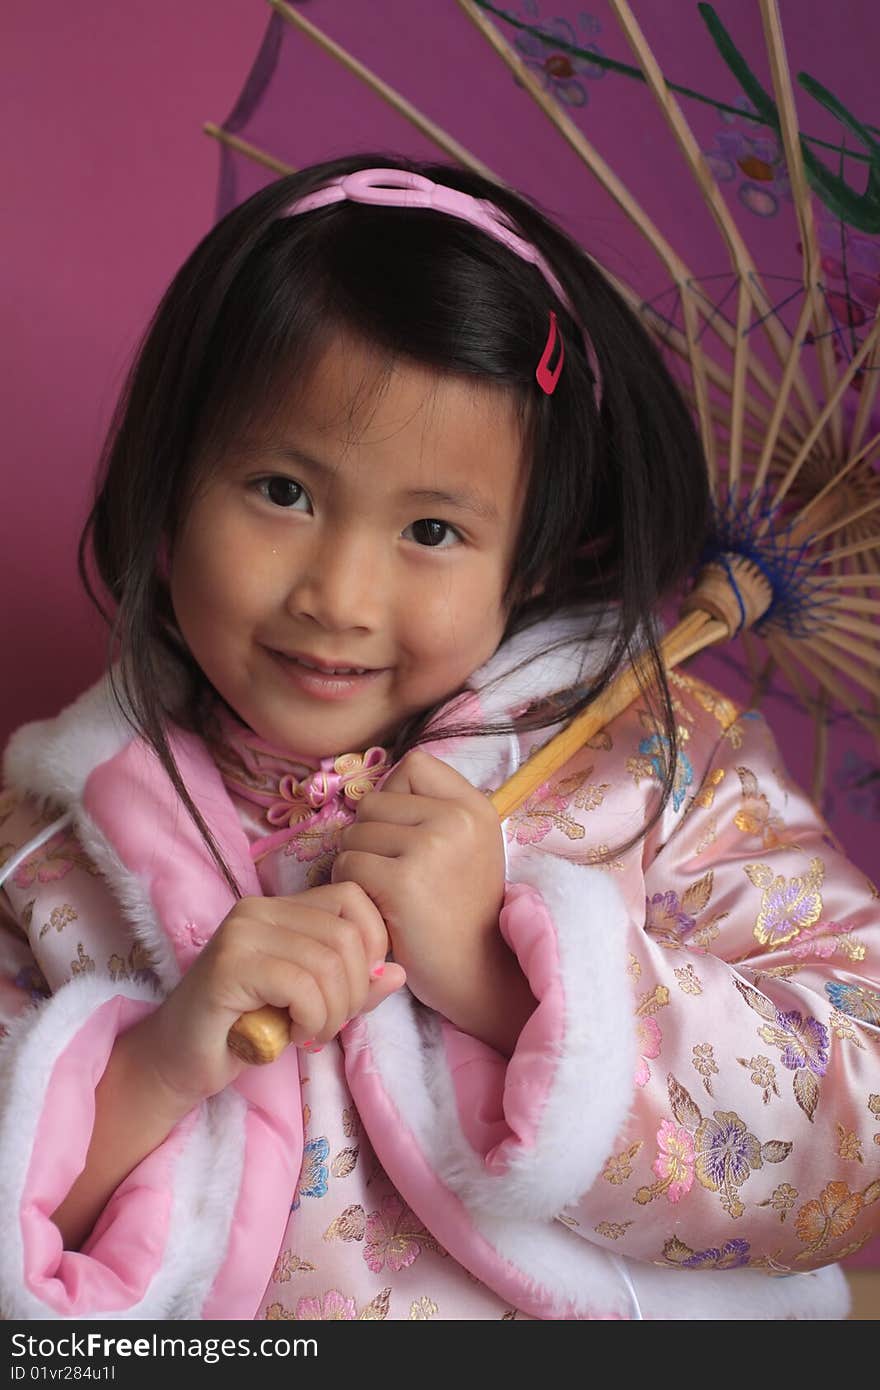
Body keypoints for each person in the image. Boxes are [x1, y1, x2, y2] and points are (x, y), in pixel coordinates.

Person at [0, 154, 877, 1323]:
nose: (340, 595)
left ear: (533, 555)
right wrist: (155, 1065)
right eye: (280, 490)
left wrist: (504, 980)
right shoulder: (48, 847)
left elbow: (855, 1128)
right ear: (169, 485)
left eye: (431, 527)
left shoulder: (656, 768)